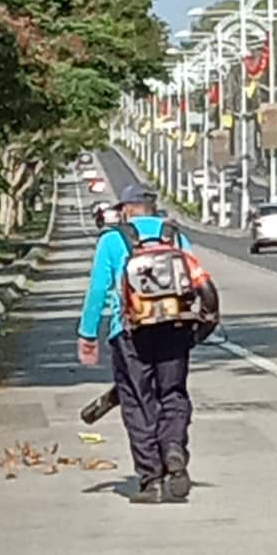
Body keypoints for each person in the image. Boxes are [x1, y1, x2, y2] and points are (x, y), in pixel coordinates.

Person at [76, 182, 196, 505]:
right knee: (173, 393)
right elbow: (195, 280)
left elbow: (98, 290)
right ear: (152, 208)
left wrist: (88, 334)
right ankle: (173, 448)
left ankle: (151, 480)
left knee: (138, 402)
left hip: (129, 332)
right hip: (173, 327)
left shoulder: (114, 239)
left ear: (126, 210)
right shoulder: (174, 235)